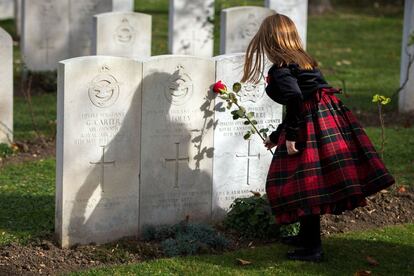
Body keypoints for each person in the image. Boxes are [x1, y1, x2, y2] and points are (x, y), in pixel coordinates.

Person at [241, 14, 395, 262]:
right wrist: (276, 135)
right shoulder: (304, 61)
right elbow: (303, 101)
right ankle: (306, 238)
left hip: (311, 129)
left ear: (269, 42)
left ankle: (312, 249)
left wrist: (289, 136)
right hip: (327, 121)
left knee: (304, 185)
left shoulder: (281, 70)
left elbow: (294, 99)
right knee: (309, 184)